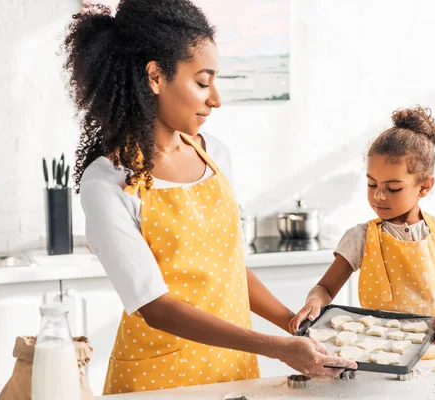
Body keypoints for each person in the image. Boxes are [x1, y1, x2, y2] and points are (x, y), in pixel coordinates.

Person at [63, 0, 356, 394]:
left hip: (235, 370)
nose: (215, 99)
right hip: (159, 382)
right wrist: (280, 349)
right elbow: (156, 307)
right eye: (203, 82)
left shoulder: (214, 155)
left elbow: (229, 270)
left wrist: (295, 326)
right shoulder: (107, 183)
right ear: (155, 76)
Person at [289, 106, 435, 359]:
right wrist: (314, 302)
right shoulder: (360, 237)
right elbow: (325, 287)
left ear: (425, 186)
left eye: (393, 188)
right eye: (371, 184)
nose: (378, 195)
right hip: (378, 355)